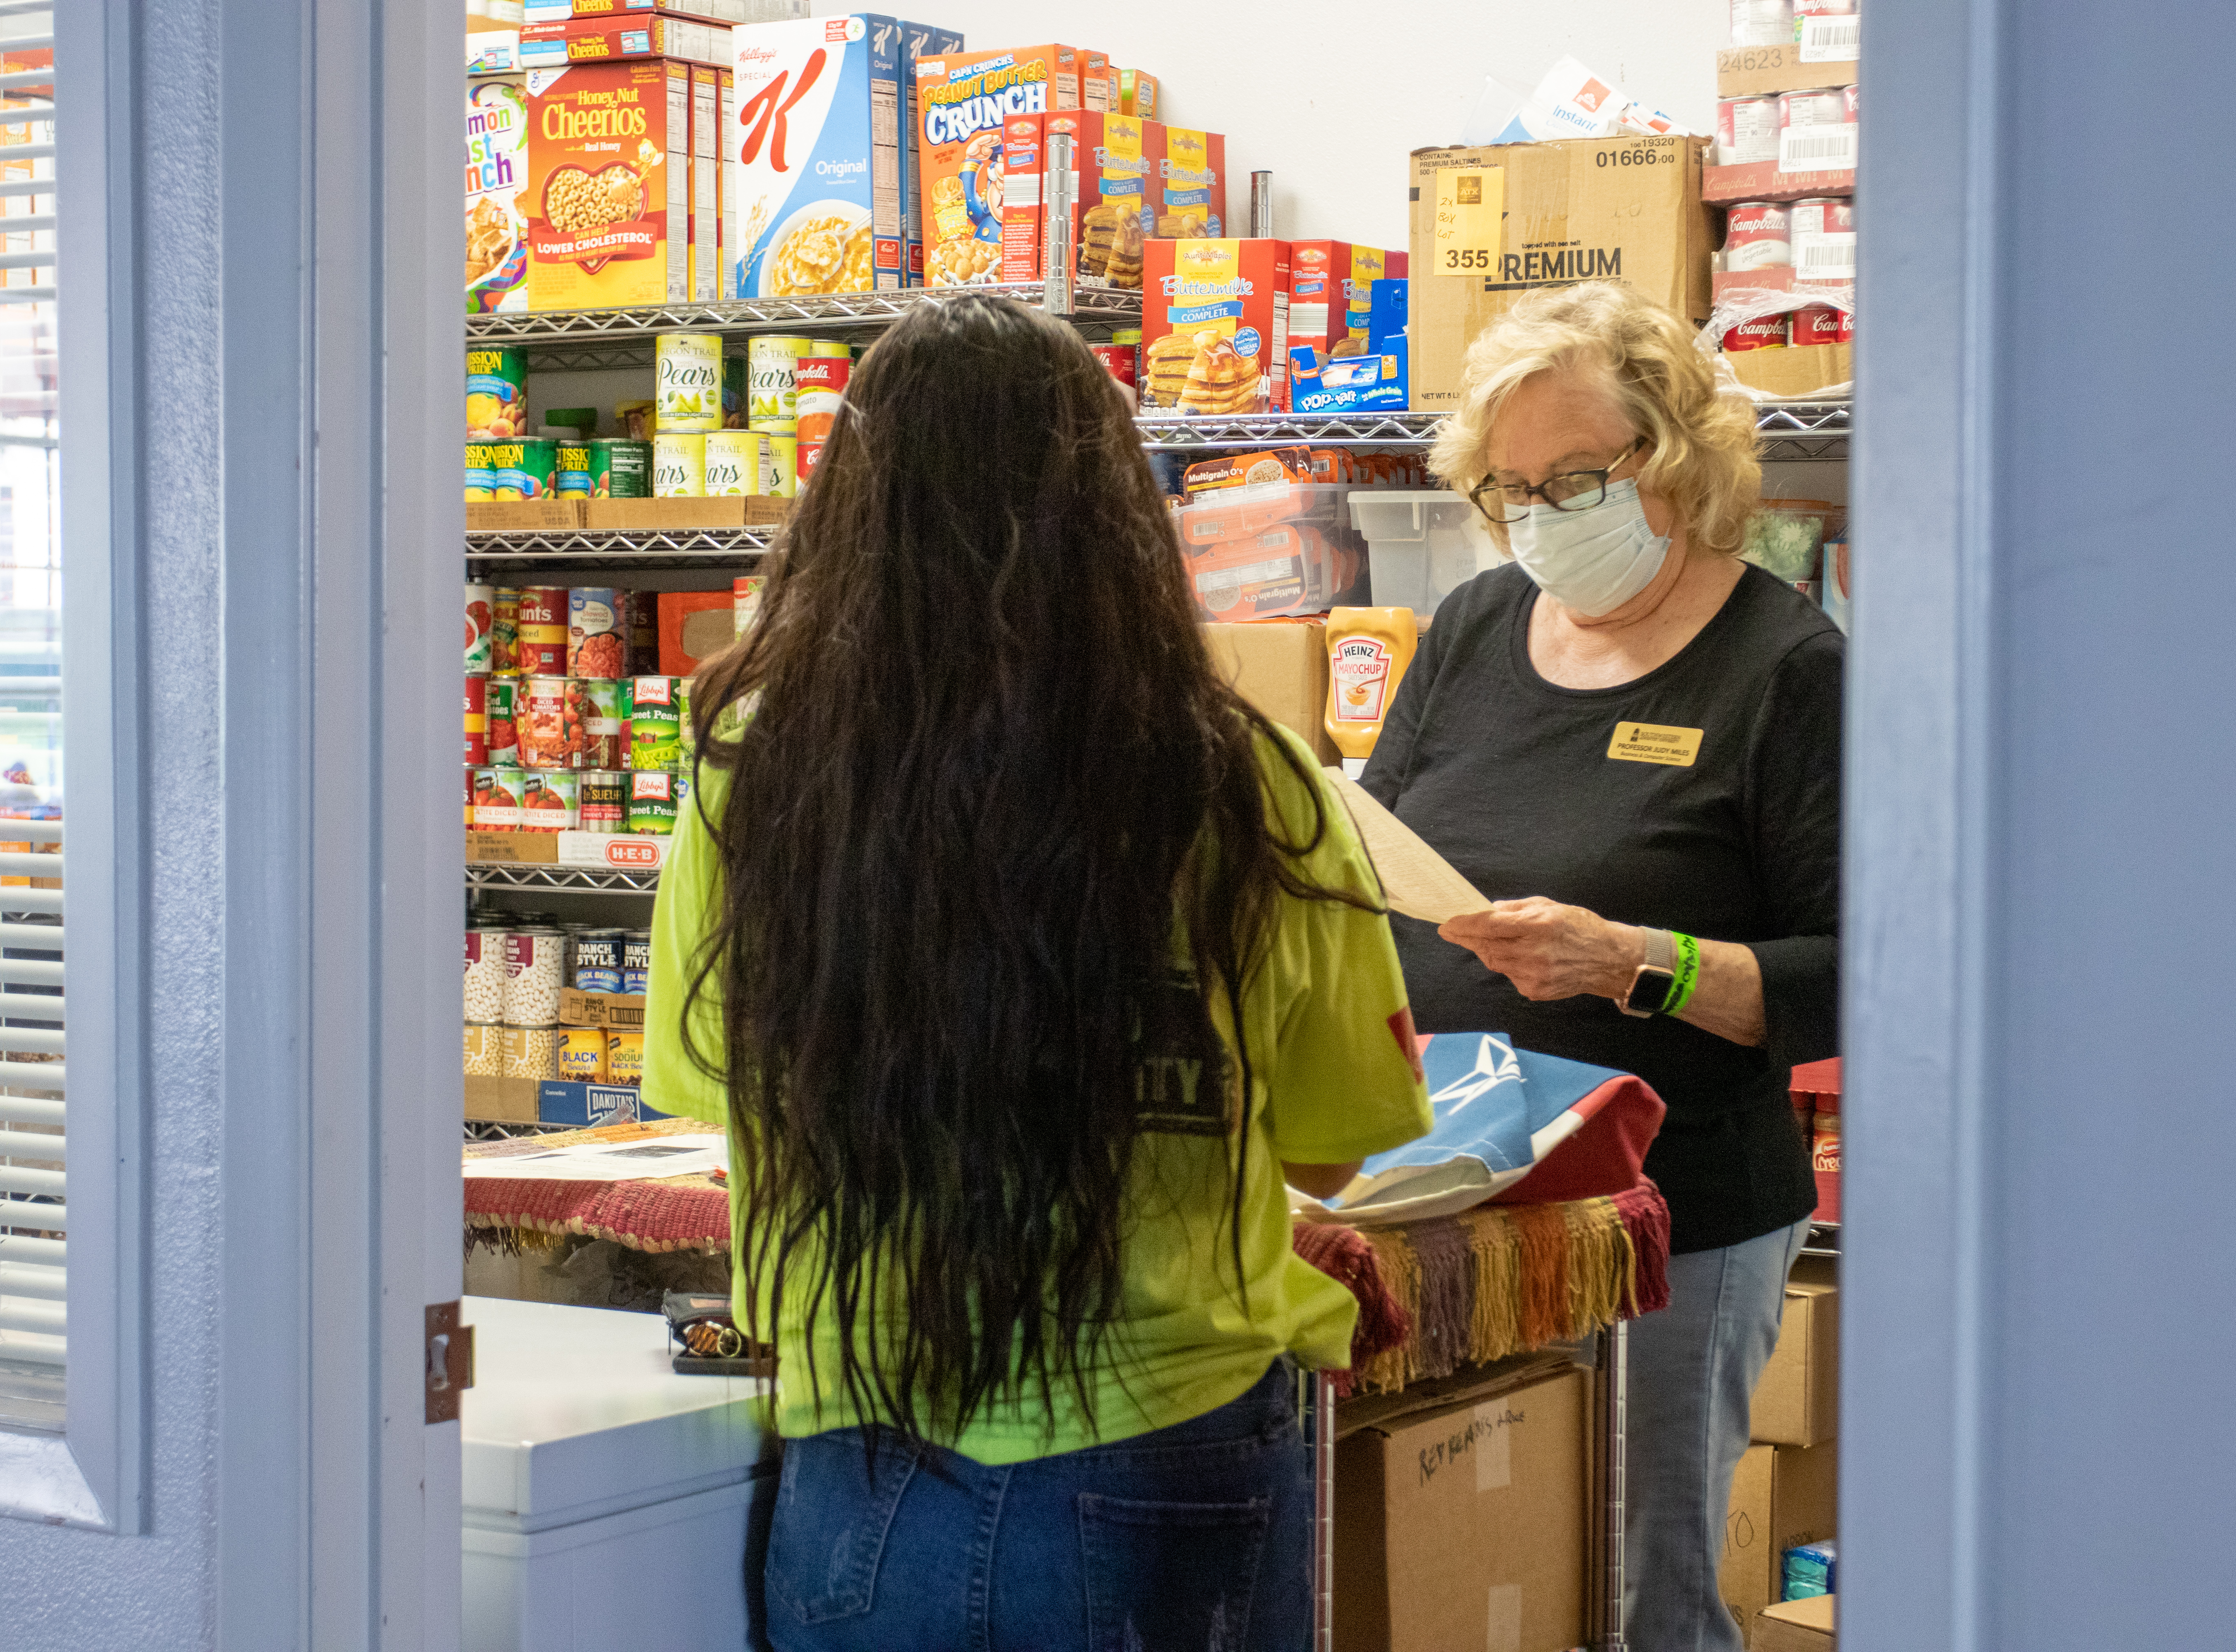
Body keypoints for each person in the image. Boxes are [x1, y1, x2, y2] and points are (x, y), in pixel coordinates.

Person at [639, 294, 1433, 1652]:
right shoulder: (1255, 784)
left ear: (856, 510)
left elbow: (709, 1085)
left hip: (863, 1460)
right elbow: (1334, 1151)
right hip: (1172, 1456)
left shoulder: (752, 779)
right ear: (1122, 515)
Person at [1359, 281, 1839, 1652]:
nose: (1543, 515)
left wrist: (1639, 962)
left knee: (1639, 1596)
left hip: (1669, 1222)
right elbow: (1375, 847)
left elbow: (1857, 971)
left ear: (1678, 458)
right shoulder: (1472, 629)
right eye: (1513, 490)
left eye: (1579, 477)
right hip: (1459, 1200)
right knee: (1477, 1580)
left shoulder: (1785, 669)